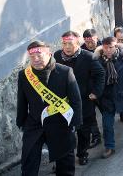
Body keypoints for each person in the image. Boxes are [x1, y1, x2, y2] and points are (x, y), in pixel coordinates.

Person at [17, 41, 82, 175]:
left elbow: (76, 100)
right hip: (34, 123)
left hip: (61, 122)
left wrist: (75, 123)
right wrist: (21, 121)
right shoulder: (24, 75)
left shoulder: (65, 72)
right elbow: (22, 100)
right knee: (28, 160)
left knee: (65, 161)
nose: (35, 60)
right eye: (32, 57)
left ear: (49, 54)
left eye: (39, 56)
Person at [54, 31, 105, 165]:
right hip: (63, 101)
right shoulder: (57, 56)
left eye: (70, 44)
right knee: (62, 131)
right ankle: (63, 158)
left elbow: (100, 74)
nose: (67, 47)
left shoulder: (88, 56)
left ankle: (82, 153)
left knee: (83, 130)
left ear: (77, 43)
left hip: (84, 100)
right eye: (64, 44)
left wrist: (95, 93)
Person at [94, 37, 123, 158]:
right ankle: (109, 147)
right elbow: (93, 79)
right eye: (105, 48)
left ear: (116, 47)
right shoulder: (98, 61)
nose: (108, 50)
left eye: (111, 47)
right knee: (107, 124)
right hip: (107, 98)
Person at [81, 29, 102, 148]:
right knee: (90, 115)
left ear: (96, 37)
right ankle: (96, 136)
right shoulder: (81, 51)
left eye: (92, 40)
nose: (90, 44)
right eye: (87, 41)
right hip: (88, 88)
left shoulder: (104, 47)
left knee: (106, 111)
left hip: (102, 86)